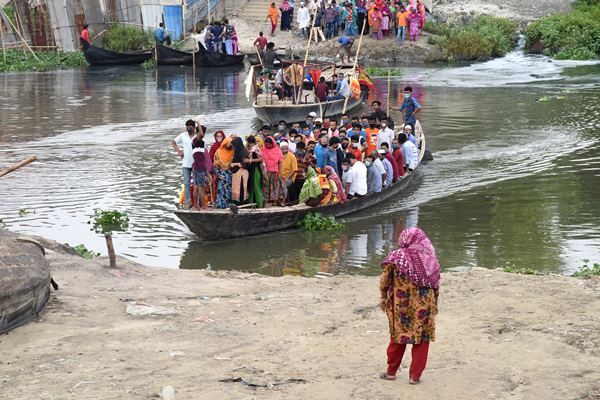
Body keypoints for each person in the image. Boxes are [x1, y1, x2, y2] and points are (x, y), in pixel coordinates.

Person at [379, 227, 440, 384]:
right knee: (422, 339)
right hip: (424, 306)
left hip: (401, 306)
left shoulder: (396, 257)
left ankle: (391, 372)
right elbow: (435, 283)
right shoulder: (429, 257)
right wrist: (436, 303)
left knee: (397, 337)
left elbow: (385, 281)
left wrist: (383, 297)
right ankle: (415, 377)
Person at [171, 120, 197, 209]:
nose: (188, 128)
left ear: (194, 127)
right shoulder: (183, 135)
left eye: (190, 126)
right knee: (186, 184)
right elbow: (173, 142)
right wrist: (179, 151)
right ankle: (188, 202)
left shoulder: (197, 136)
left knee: (196, 185)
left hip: (196, 164)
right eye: (187, 126)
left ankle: (196, 203)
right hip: (185, 164)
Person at [191, 124, 213, 210]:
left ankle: (196, 206)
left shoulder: (199, 142)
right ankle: (203, 206)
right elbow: (201, 134)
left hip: (198, 167)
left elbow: (202, 158)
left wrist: (207, 172)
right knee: (201, 187)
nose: (203, 134)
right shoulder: (196, 140)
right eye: (203, 132)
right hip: (199, 168)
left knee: (196, 187)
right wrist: (198, 123)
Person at [262, 136, 286, 206]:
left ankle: (277, 201)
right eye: (266, 144)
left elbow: (280, 162)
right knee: (266, 187)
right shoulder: (262, 151)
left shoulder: (277, 151)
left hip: (275, 172)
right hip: (266, 172)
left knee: (277, 186)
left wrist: (280, 172)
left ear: (273, 143)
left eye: (269, 144)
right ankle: (266, 202)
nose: (268, 145)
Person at [213, 136, 234, 208]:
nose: (231, 145)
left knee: (229, 191)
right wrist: (218, 174)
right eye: (229, 143)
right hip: (221, 174)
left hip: (230, 175)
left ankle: (228, 206)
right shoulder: (218, 152)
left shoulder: (233, 151)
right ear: (225, 143)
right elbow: (215, 164)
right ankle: (221, 205)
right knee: (221, 190)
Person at [244, 135, 264, 208]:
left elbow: (261, 158)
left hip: (255, 170)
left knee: (256, 188)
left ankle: (260, 205)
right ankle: (250, 205)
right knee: (250, 188)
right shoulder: (248, 149)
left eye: (251, 143)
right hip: (250, 170)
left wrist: (250, 160)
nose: (251, 144)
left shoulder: (256, 149)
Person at [229, 137, 249, 205]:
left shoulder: (242, 153)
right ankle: (239, 202)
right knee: (238, 188)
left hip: (241, 173)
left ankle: (240, 203)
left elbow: (245, 164)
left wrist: (235, 164)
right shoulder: (238, 152)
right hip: (237, 172)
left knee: (241, 188)